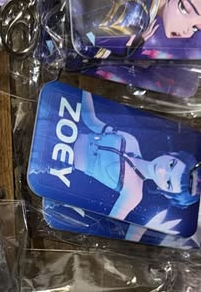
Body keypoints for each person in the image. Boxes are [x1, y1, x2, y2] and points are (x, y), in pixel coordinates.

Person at [73, 90, 199, 221]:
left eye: (168, 183)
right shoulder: (132, 141)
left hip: (63, 162)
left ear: (166, 193)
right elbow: (91, 121)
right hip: (68, 128)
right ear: (172, 154)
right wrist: (85, 90)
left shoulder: (134, 194)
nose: (161, 170)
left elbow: (110, 222)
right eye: (171, 164)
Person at [76, 0, 201, 58]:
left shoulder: (142, 15)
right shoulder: (139, 16)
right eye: (185, 8)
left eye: (195, 28)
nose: (187, 32)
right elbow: (89, 34)